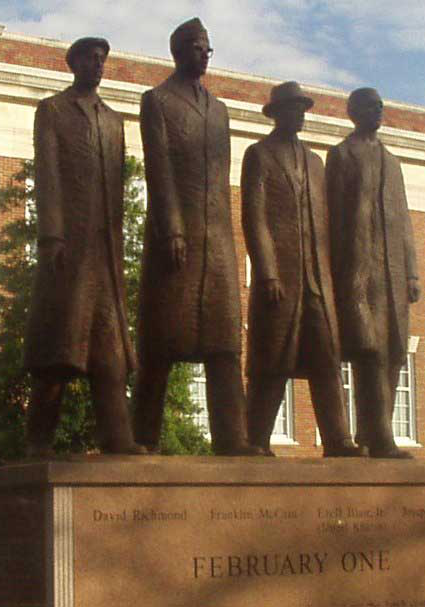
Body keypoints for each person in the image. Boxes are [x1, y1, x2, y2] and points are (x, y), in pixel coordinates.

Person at [133, 18, 259, 456]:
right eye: (198, 47)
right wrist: (170, 226)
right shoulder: (157, 102)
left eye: (209, 48)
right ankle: (141, 437)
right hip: (177, 236)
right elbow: (158, 168)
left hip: (217, 242)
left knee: (225, 345)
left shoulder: (220, 109)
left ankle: (234, 439)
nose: (206, 54)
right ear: (179, 50)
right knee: (160, 344)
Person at [22, 37, 145, 457]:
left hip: (105, 254)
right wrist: (52, 235)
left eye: (102, 59)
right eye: (90, 58)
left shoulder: (113, 120)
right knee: (59, 347)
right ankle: (38, 440)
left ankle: (117, 436)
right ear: (73, 63)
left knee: (109, 348)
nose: (98, 65)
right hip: (69, 249)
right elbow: (49, 173)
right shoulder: (53, 110)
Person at [241, 81, 366, 458]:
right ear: (278, 113)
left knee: (326, 359)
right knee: (273, 361)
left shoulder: (315, 162)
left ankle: (337, 439)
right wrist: (267, 272)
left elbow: (327, 222)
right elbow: (254, 217)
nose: (300, 115)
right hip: (281, 278)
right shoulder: (259, 155)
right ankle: (256, 439)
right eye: (293, 108)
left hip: (318, 280)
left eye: (302, 108)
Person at [325, 87, 419, 458]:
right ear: (353, 112)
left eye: (381, 105)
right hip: (359, 272)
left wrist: (412, 273)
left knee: (394, 352)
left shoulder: (393, 163)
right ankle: (379, 438)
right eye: (371, 105)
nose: (378, 110)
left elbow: (405, 221)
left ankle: (373, 432)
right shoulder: (341, 155)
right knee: (369, 353)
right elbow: (332, 216)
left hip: (394, 274)